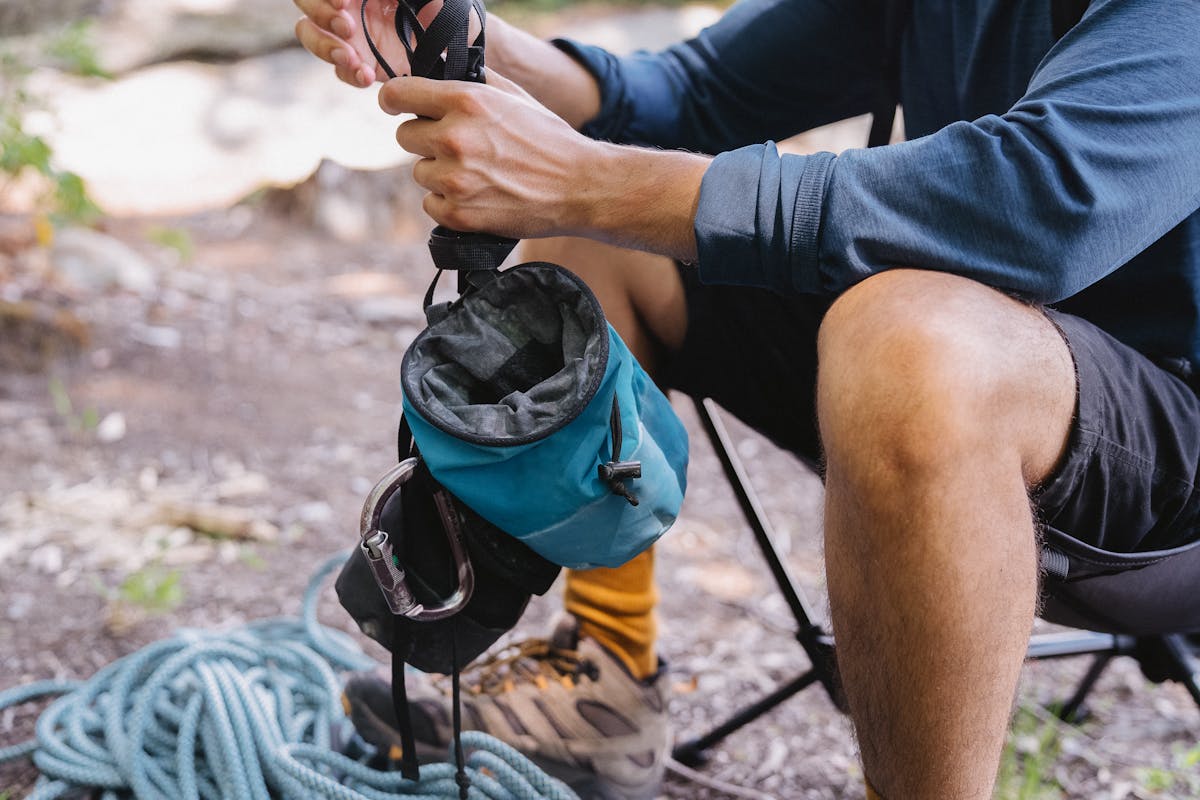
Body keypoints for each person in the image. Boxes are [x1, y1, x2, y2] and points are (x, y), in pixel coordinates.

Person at [293, 0, 1200, 797]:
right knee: (606, 246)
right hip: (977, 362)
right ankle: (607, 673)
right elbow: (693, 96)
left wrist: (587, 178)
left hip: (1170, 466)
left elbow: (1038, 202)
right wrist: (461, 27)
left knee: (910, 340)